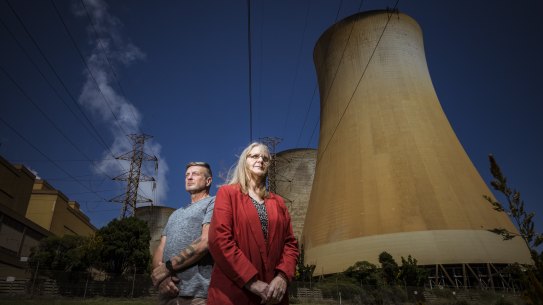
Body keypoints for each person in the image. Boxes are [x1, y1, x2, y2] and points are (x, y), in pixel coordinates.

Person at [207, 142, 299, 305]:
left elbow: (290, 244)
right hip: (234, 293)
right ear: (245, 160)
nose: (261, 160)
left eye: (265, 158)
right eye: (255, 156)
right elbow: (219, 240)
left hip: (272, 294)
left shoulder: (278, 203)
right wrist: (252, 281)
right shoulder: (228, 194)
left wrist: (283, 276)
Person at [151, 162, 215, 305]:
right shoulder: (175, 214)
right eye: (187, 175)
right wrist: (161, 278)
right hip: (167, 295)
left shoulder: (214, 202)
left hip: (197, 296)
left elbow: (206, 241)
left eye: (195, 174)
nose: (189, 178)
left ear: (208, 181)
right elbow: (160, 248)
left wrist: (167, 268)